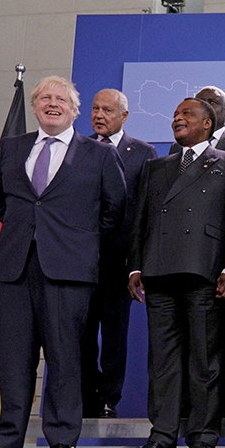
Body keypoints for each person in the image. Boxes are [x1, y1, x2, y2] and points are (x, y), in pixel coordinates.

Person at [0, 76, 126, 448]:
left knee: (65, 358)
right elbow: (2, 204)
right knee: (14, 360)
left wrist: (74, 238)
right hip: (15, 269)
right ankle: (7, 439)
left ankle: (62, 439)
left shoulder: (98, 154)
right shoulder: (10, 149)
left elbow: (114, 210)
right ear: (34, 106)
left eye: (60, 99)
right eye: (45, 97)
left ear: (74, 109)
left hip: (69, 270)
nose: (52, 103)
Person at [127, 98, 225, 448]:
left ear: (207, 123)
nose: (178, 118)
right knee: (162, 360)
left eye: (187, 114)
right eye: (175, 114)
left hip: (205, 270)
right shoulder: (155, 167)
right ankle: (162, 434)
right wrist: (135, 265)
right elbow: (141, 221)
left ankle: (202, 435)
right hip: (159, 270)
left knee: (204, 359)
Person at [169, 85, 225, 418]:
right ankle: (190, 401)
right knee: (188, 338)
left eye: (213, 103)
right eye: (201, 103)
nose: (207, 107)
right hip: (187, 259)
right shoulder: (179, 153)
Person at [81, 88, 157, 418]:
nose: (99, 115)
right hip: (80, 258)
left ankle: (110, 395)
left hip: (119, 260)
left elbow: (146, 210)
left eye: (107, 110)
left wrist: (137, 262)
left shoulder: (143, 152)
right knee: (80, 330)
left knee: (114, 332)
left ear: (124, 116)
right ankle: (86, 394)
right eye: (95, 109)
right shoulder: (79, 149)